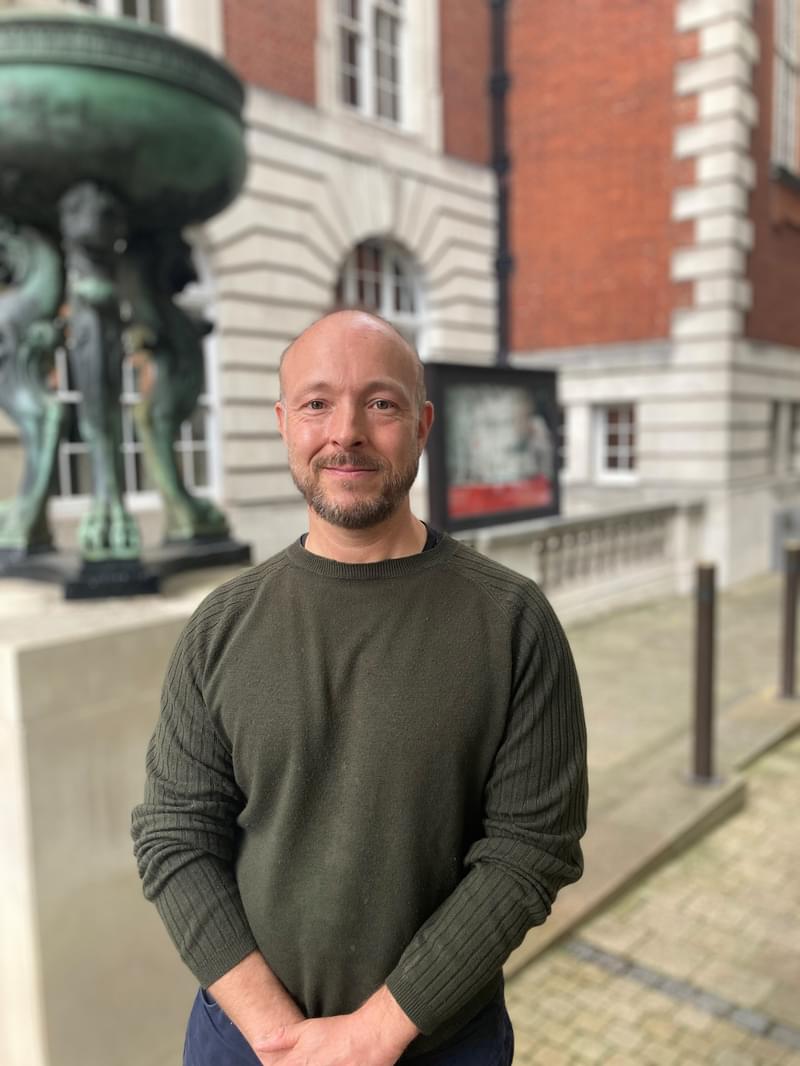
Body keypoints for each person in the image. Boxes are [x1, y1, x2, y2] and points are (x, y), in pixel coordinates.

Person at [131, 309, 588, 1066]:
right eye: (316, 403)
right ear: (284, 423)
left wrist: (368, 1037)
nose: (344, 432)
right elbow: (174, 837)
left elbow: (529, 850)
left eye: (380, 403)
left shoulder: (513, 622)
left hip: (437, 1043)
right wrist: (281, 1039)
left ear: (421, 424)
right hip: (245, 1041)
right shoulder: (221, 626)